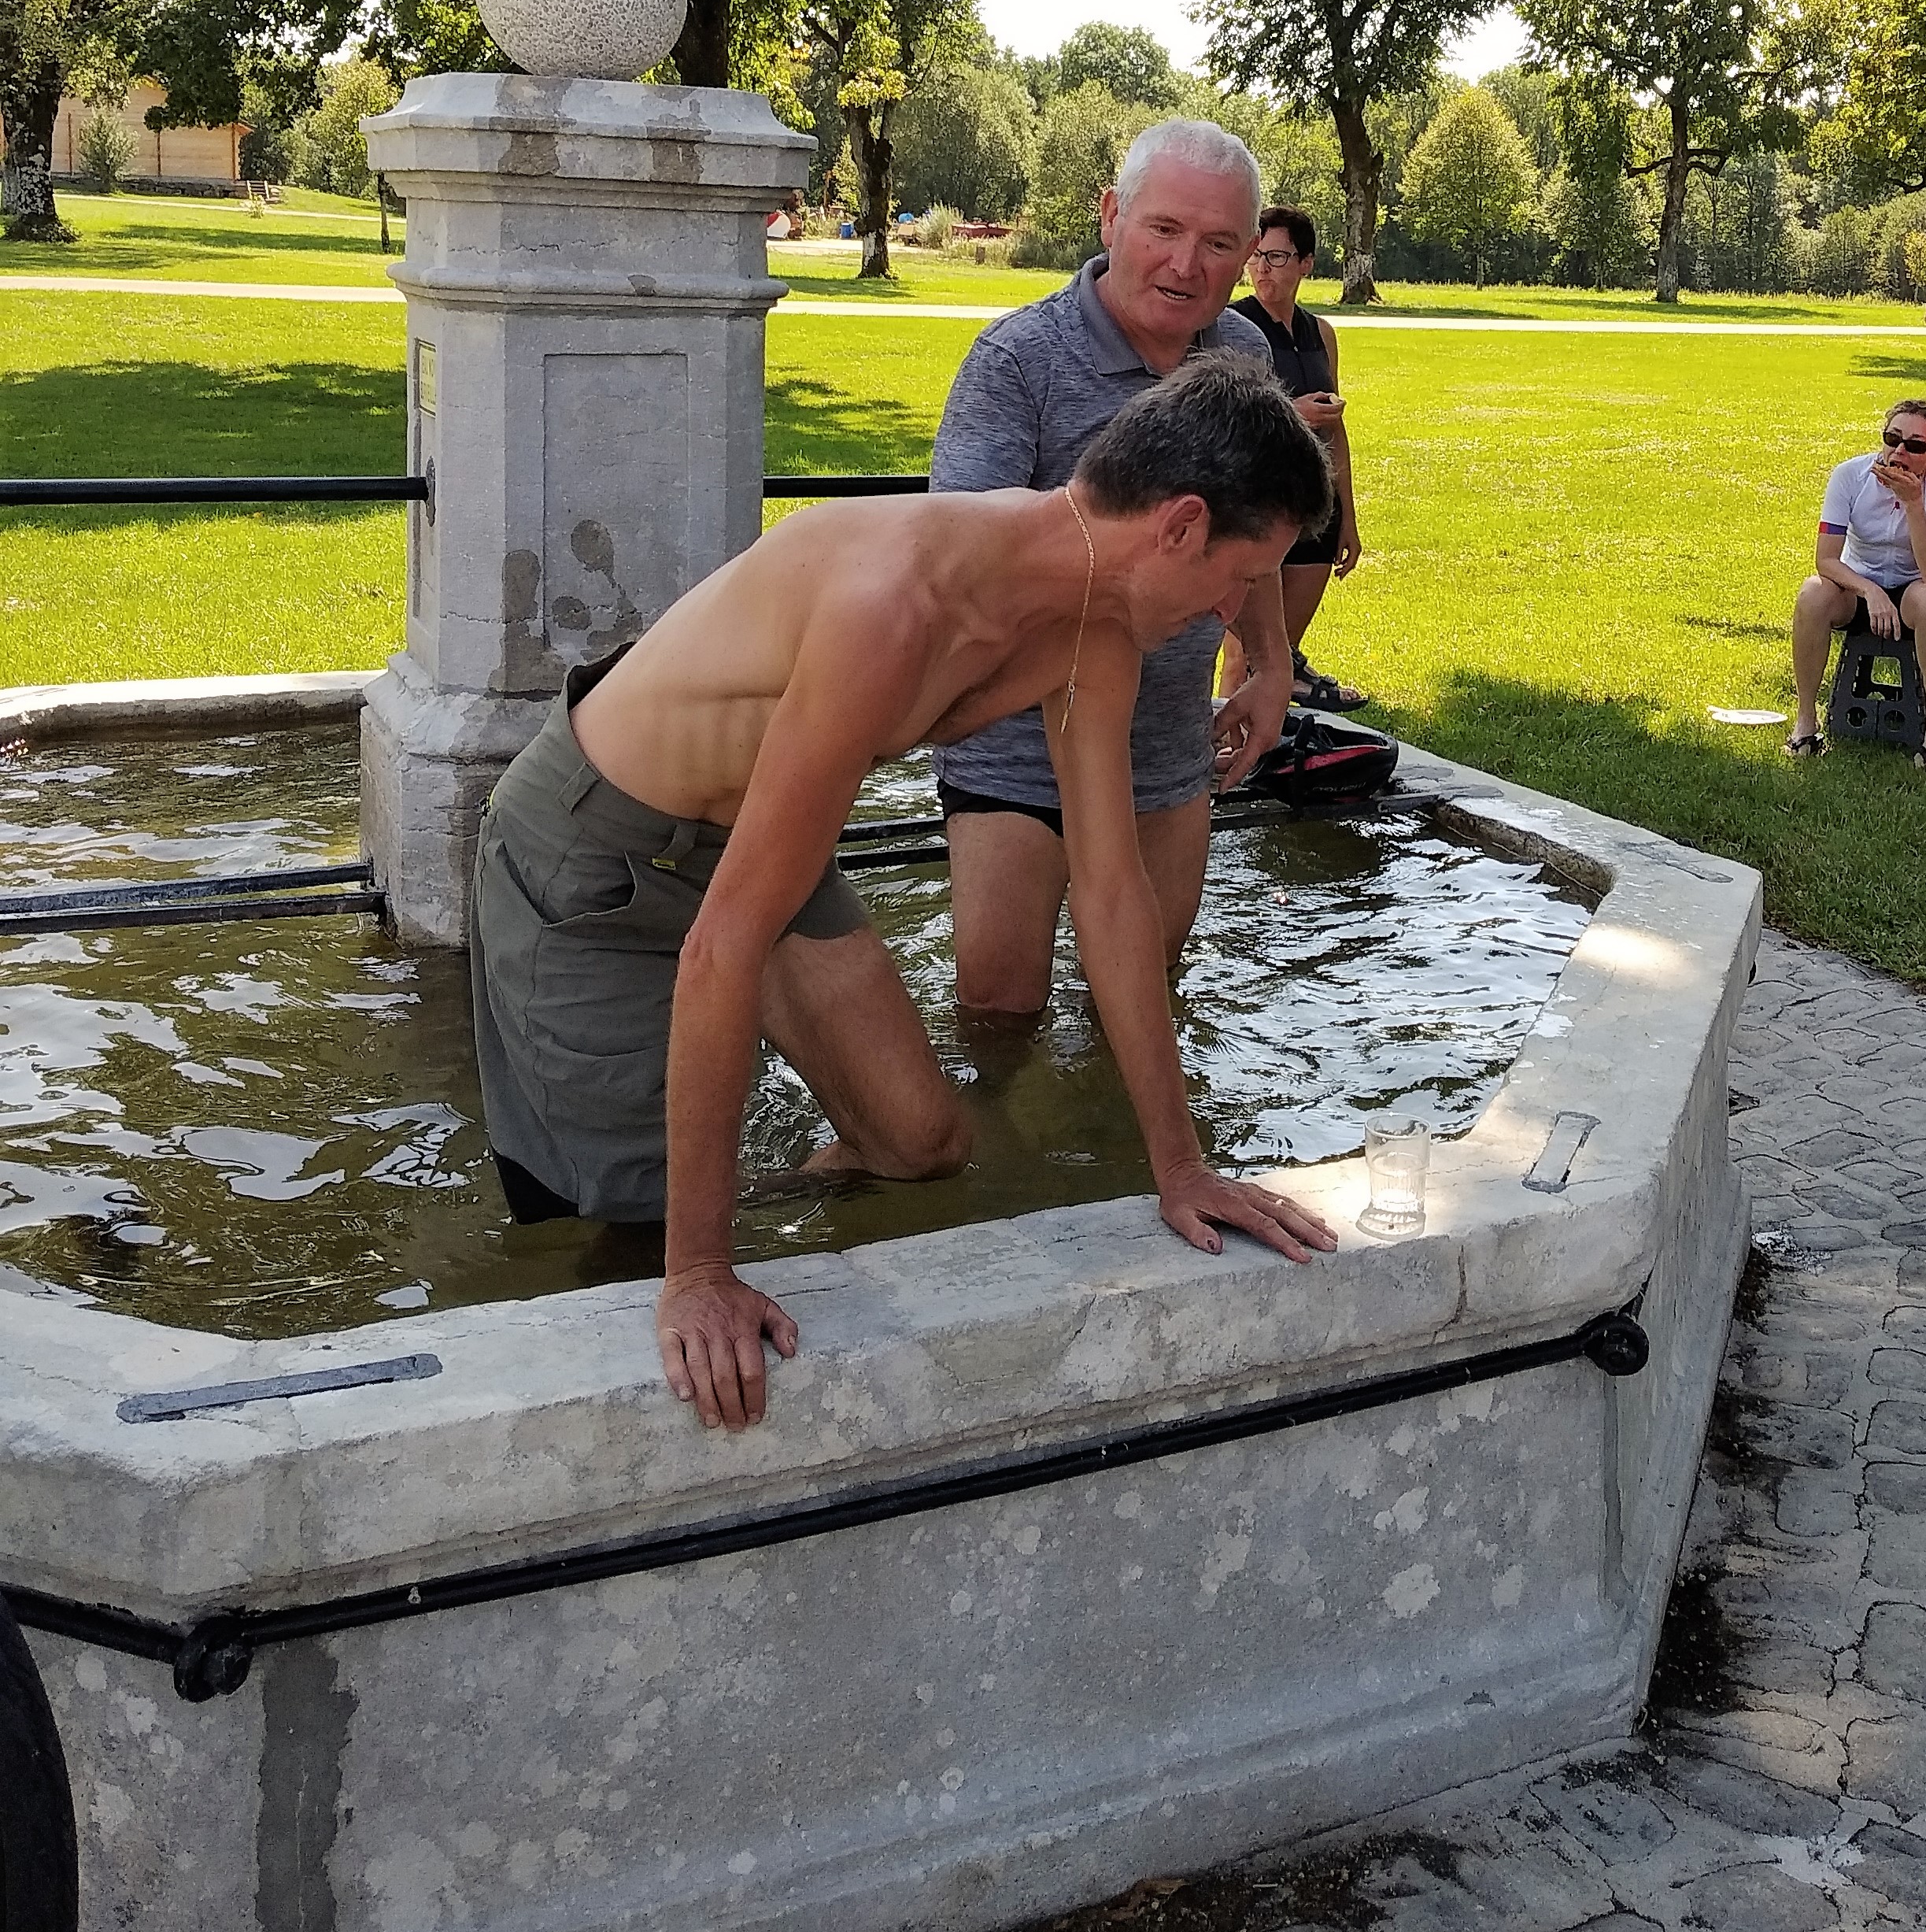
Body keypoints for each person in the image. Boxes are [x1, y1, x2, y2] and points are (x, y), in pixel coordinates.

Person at [468, 358, 1340, 1430]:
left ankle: (741, 1185)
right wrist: (700, 1271)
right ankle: (670, 1242)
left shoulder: (1092, 632)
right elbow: (722, 941)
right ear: (1178, 525)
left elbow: (1111, 899)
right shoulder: (898, 603)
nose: (1232, 610)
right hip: (596, 851)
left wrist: (1183, 1166)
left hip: (756, 838)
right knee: (632, 1232)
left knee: (922, 1145)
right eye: (1238, 577)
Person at [928, 118, 1297, 1014]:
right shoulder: (1018, 362)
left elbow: (1255, 538)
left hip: (1168, 749)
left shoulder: (1243, 357)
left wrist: (1272, 662)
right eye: (1164, 230)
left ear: (1247, 253)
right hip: (1014, 758)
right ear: (1110, 218)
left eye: (1217, 243)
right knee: (998, 1020)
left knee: (1136, 1006)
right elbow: (961, 573)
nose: (1186, 265)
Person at [1229, 204, 1366, 706]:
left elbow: (1337, 434)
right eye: (1257, 256)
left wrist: (1346, 519)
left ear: (1307, 263)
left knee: (1284, 648)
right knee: (1244, 652)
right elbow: (1222, 415)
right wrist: (1292, 412)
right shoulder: (1234, 326)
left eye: (1279, 257)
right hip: (1255, 501)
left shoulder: (1320, 333)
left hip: (1314, 505)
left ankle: (1272, 747)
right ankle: (1224, 757)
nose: (1264, 268)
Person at [1787, 400, 1926, 768]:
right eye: (1892, 438)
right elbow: (1826, 559)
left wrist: (1913, 504)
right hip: (1856, 585)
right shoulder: (1850, 475)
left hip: (1914, 587)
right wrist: (1869, 591)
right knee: (1812, 593)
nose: (1899, 451)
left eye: (1915, 446)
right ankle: (1805, 721)